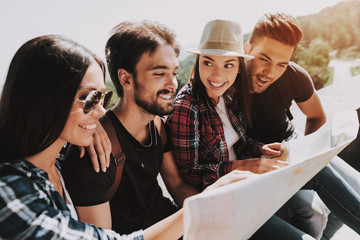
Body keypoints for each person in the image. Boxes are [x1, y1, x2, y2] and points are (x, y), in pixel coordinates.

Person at [0, 34, 251, 240]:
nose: (100, 111)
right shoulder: (10, 191)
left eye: (102, 97)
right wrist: (203, 205)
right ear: (45, 101)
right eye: (90, 98)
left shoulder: (54, 159)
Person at [166, 18, 360, 239]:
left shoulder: (227, 94)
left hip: (254, 172)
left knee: (326, 175)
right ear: (198, 60)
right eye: (208, 62)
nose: (218, 75)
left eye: (228, 64)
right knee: (311, 214)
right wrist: (244, 166)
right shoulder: (186, 107)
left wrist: (261, 150)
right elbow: (189, 173)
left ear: (238, 64)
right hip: (228, 192)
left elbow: (241, 142)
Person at [61, 20, 253, 236]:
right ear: (126, 79)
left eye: (173, 72)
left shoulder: (158, 126)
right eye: (160, 73)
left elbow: (177, 185)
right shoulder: (92, 156)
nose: (172, 84)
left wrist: (211, 215)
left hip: (177, 225)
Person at [244, 12, 360, 239]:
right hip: (255, 161)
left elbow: (316, 115)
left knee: (356, 183)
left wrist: (308, 150)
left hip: (292, 144)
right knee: (314, 209)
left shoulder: (294, 76)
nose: (270, 72)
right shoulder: (226, 77)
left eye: (281, 64)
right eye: (264, 59)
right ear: (247, 49)